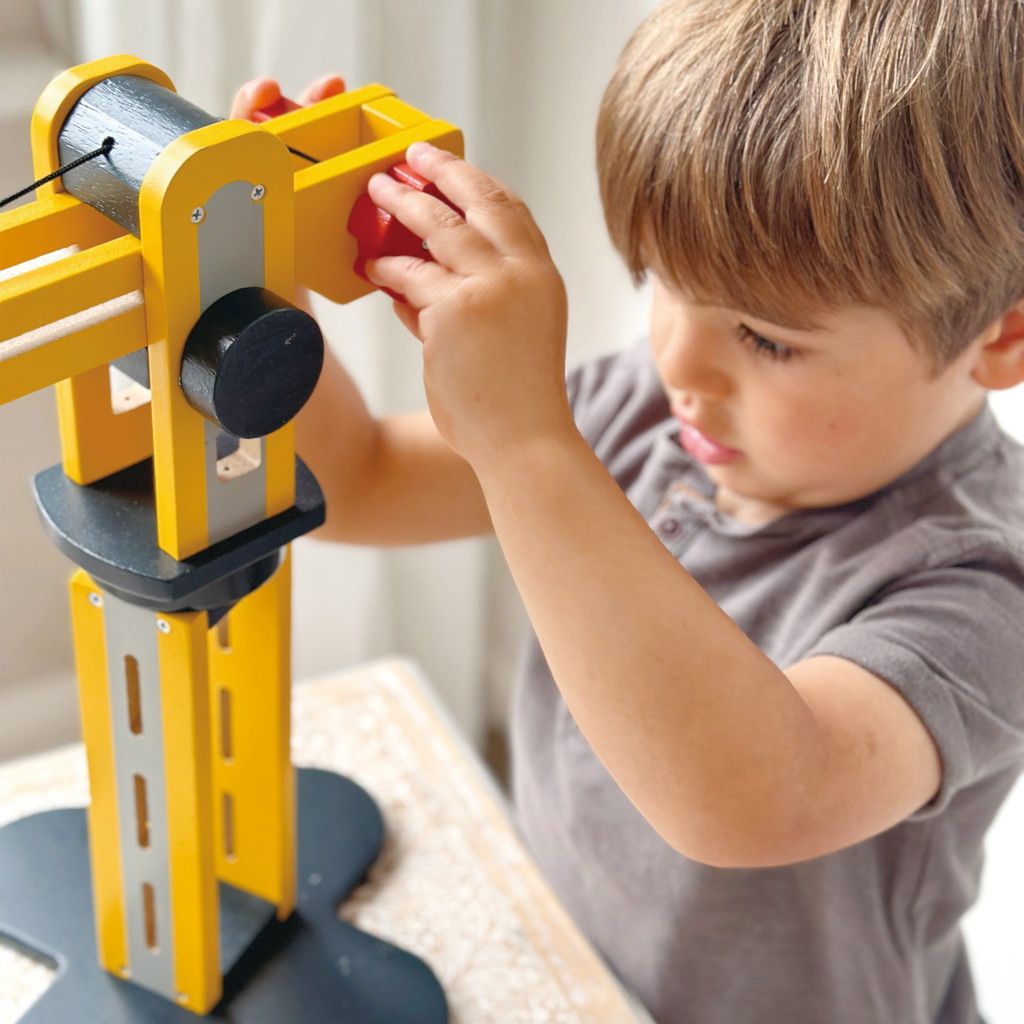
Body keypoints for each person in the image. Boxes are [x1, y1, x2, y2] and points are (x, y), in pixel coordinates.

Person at [233, 1, 1024, 1020]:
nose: (680, 362)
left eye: (767, 338)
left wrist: (526, 441)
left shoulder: (982, 587)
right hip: (567, 972)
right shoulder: (643, 407)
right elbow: (360, 481)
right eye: (660, 282)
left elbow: (751, 798)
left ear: (1001, 339)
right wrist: (253, 281)